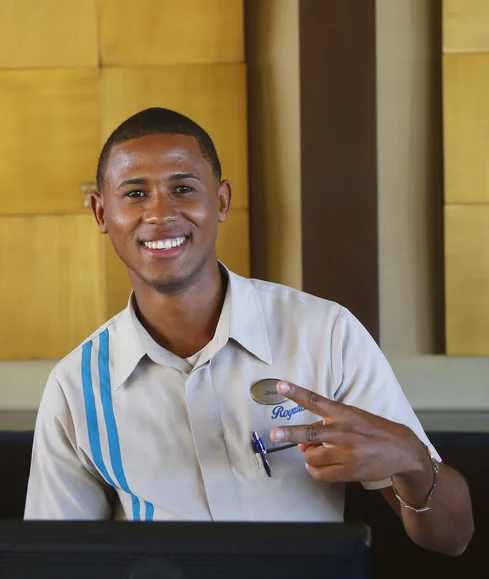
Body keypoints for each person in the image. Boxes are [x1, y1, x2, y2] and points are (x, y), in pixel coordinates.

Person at [24, 107, 473, 556]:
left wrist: (414, 462)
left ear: (221, 201)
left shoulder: (325, 334)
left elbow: (453, 539)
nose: (160, 213)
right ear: (101, 212)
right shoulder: (75, 385)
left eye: (183, 188)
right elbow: (51, 565)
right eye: (136, 193)